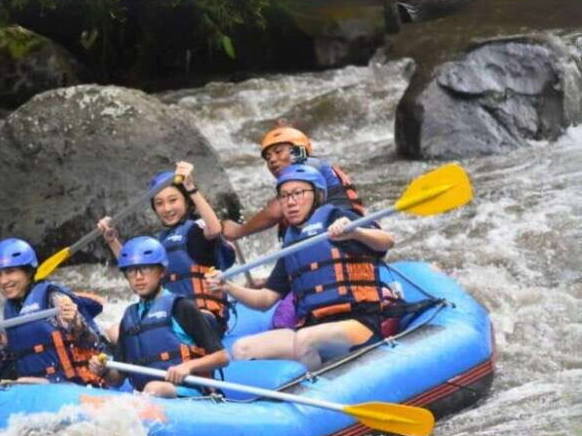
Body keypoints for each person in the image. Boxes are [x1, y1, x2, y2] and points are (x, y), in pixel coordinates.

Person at [206, 164, 394, 370]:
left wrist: (356, 233)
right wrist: (229, 288)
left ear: (318, 195)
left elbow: (387, 241)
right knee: (243, 348)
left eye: (298, 193)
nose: (291, 202)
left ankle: (318, 387)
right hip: (312, 327)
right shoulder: (293, 245)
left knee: (306, 339)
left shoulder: (337, 218)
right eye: (284, 196)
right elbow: (265, 300)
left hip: (358, 324)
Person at [97, 161, 235, 333]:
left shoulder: (198, 230)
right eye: (159, 203)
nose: (167, 208)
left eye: (173, 200)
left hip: (205, 317)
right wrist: (111, 239)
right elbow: (132, 265)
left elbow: (215, 229)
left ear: (186, 201)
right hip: (169, 316)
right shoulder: (160, 242)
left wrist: (191, 188)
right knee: (114, 332)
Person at [89, 236, 229, 397]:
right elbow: (118, 378)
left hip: (190, 393)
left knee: (155, 388)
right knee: (151, 389)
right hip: (149, 397)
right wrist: (104, 371)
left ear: (162, 271)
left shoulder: (181, 307)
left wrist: (188, 367)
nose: (138, 277)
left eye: (146, 268)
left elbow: (222, 357)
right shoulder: (129, 318)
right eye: (131, 271)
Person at [0, 237, 106, 385]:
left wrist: (76, 322)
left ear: (28, 272)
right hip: (34, 391)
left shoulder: (53, 298)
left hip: (75, 386)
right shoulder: (10, 312)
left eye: (10, 272)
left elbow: (93, 344)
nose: (3, 281)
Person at [221, 126, 364, 243]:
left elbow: (275, 212)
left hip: (343, 231)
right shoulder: (304, 173)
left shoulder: (307, 164)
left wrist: (238, 231)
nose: (272, 160)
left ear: (299, 150)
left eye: (278, 152)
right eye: (268, 157)